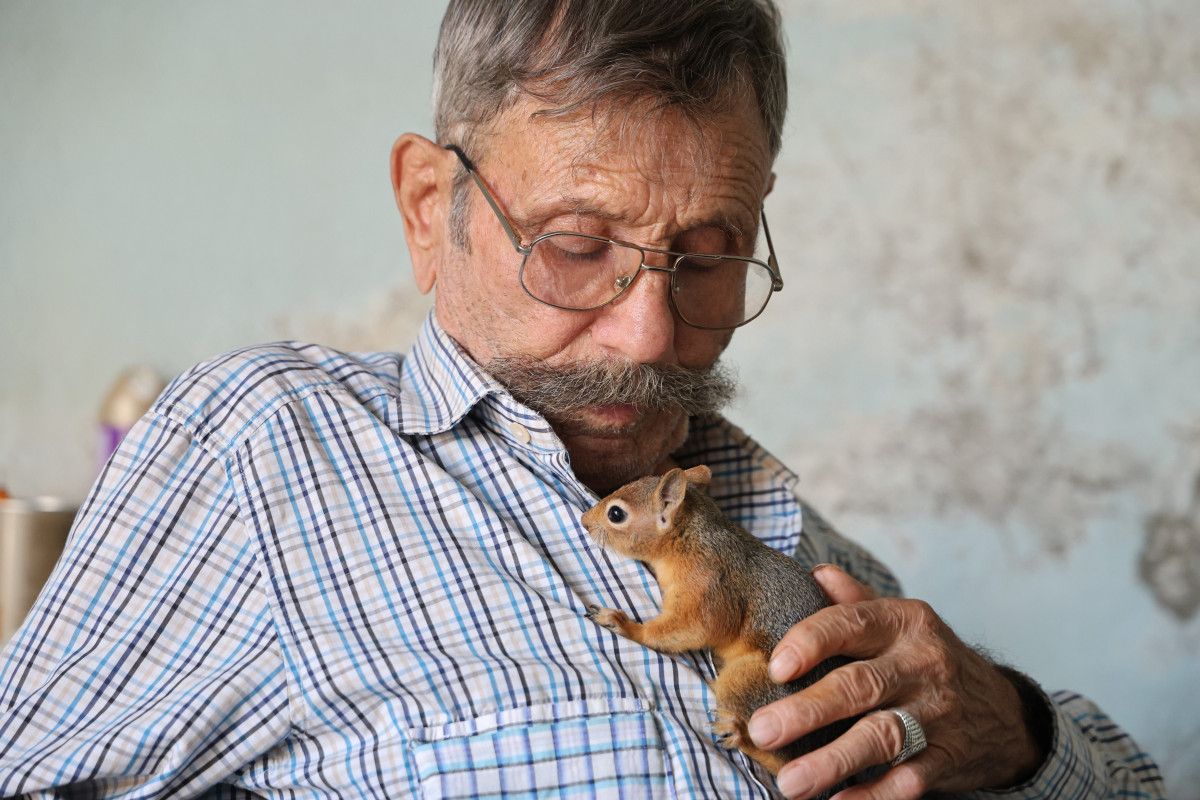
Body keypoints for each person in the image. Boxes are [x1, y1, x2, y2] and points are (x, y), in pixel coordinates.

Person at [0, 1, 1166, 798]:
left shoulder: (805, 554)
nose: (650, 333)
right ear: (429, 208)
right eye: (572, 245)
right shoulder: (268, 447)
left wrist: (1012, 732)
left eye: (708, 254)